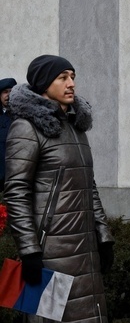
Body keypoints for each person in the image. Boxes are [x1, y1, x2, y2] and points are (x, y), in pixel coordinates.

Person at [5, 55, 115, 323]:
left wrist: (104, 235)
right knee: (49, 318)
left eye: (73, 77)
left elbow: (89, 185)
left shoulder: (76, 128)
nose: (71, 84)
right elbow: (16, 192)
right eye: (62, 77)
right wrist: (29, 251)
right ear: (44, 84)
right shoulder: (27, 127)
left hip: (84, 249)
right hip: (50, 252)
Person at [0, 77, 17, 189]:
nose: (8, 95)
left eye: (11, 91)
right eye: (5, 92)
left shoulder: (23, 115)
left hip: (15, 173)